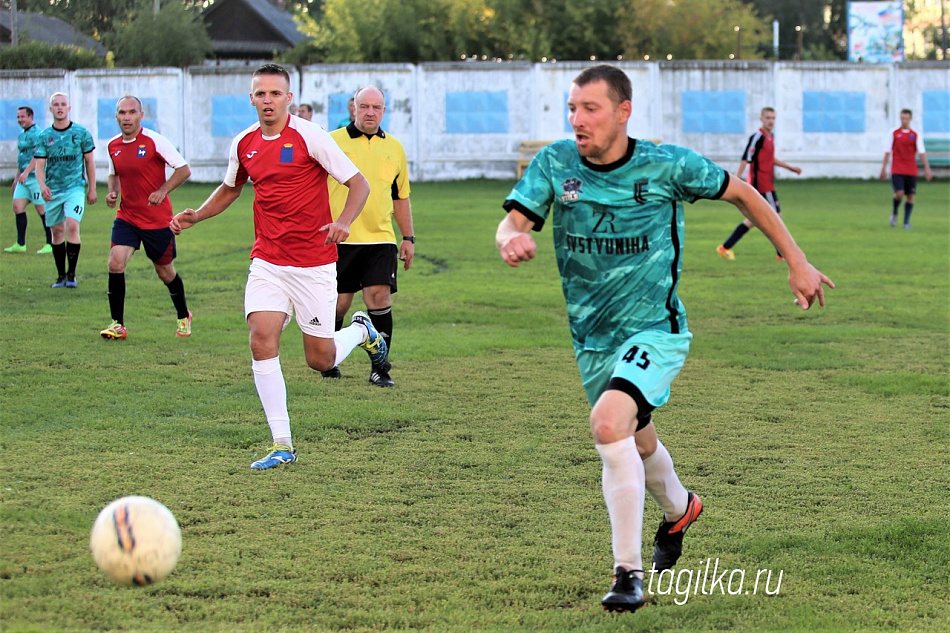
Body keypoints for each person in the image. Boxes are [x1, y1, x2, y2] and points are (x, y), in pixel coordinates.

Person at [496, 65, 833, 613]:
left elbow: (745, 195)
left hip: (656, 330)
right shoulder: (555, 163)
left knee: (608, 423)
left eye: (590, 109)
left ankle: (627, 572)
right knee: (634, 438)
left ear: (623, 111)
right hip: (591, 338)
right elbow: (512, 222)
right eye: (572, 108)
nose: (577, 120)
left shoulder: (667, 164)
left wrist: (796, 261)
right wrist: (509, 239)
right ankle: (681, 509)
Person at [170, 63, 385, 471]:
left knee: (319, 360)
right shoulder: (244, 143)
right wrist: (197, 214)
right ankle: (281, 443)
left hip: (314, 263)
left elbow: (359, 183)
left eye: (275, 93)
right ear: (251, 99)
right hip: (267, 260)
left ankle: (360, 331)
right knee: (260, 338)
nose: (267, 100)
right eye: (260, 94)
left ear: (289, 98)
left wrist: (343, 222)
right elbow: (232, 187)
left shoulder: (310, 136)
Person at [324, 85, 414, 387]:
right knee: (338, 304)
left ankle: (381, 367)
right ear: (354, 108)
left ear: (384, 111)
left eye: (376, 107)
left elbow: (401, 197)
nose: (370, 112)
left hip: (381, 238)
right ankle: (328, 358)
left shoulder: (396, 148)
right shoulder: (331, 142)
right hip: (340, 238)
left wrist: (408, 238)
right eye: (364, 106)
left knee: (379, 297)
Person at [100, 95, 193, 341]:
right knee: (115, 262)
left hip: (157, 220)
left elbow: (184, 169)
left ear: (141, 115)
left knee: (165, 273)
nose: (127, 117)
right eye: (122, 112)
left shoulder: (154, 141)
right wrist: (112, 193)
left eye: (132, 112)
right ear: (116, 116)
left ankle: (183, 314)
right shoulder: (112, 145)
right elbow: (114, 174)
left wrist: (163, 190)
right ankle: (117, 324)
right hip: (127, 217)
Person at [717, 107, 801, 261]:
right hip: (760, 185)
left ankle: (725, 247)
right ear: (761, 119)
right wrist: (736, 179)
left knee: (754, 220)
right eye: (768, 118)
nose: (771, 121)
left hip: (768, 184)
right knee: (776, 218)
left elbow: (770, 159)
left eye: (773, 118)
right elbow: (745, 158)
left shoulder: (771, 137)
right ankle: (781, 254)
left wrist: (790, 168)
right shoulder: (758, 137)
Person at [34, 92, 97, 287]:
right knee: (56, 232)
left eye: (63, 104)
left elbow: (89, 162)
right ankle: (61, 275)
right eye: (56, 104)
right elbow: (39, 166)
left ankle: (72, 274)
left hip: (75, 188)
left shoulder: (81, 133)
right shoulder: (44, 136)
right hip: (53, 191)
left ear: (69, 108)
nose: (60, 107)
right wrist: (42, 186)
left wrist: (92, 189)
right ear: (51, 109)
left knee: (72, 225)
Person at [5, 106, 52, 254]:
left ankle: (50, 243)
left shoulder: (37, 133)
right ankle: (20, 244)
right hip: (24, 178)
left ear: (30, 117)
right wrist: (17, 176)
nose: (20, 120)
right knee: (17, 206)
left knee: (41, 209)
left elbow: (38, 156)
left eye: (22, 117)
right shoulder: (22, 135)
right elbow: (22, 156)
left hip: (35, 178)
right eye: (18, 117)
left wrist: (25, 172)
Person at [881, 108, 933, 229]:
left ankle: (906, 222)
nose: (904, 120)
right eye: (902, 118)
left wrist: (927, 168)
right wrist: (883, 168)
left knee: (910, 195)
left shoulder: (915, 135)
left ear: (910, 119)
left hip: (911, 169)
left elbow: (921, 152)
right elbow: (887, 151)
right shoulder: (893, 133)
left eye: (906, 118)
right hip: (897, 168)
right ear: (900, 118)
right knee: (899, 193)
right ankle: (894, 212)